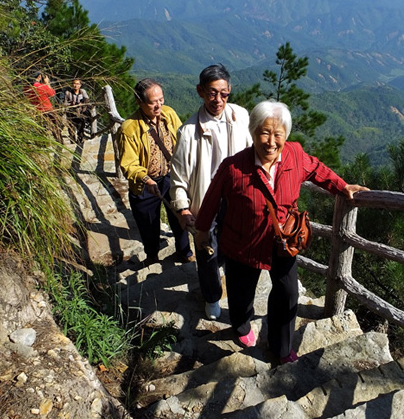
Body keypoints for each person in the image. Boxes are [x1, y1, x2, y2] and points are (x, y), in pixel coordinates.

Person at [194, 100, 368, 363]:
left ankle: (281, 348)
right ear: (252, 132)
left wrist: (342, 187)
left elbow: (318, 169)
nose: (271, 141)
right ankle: (241, 325)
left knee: (288, 293)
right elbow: (211, 199)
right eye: (264, 132)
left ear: (286, 135)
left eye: (278, 134)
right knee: (241, 292)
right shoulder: (233, 167)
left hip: (282, 242)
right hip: (242, 242)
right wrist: (202, 230)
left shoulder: (295, 155)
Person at [170, 64, 252, 320]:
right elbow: (179, 176)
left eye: (224, 94)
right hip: (205, 200)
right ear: (200, 92)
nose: (218, 100)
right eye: (212, 93)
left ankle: (224, 273)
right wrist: (183, 208)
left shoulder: (241, 117)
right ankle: (212, 296)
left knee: (234, 243)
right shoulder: (188, 132)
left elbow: (252, 154)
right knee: (206, 249)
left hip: (237, 197)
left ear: (230, 91)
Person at [118, 79, 193, 264]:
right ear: (139, 102)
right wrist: (146, 179)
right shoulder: (129, 128)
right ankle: (152, 256)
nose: (159, 105)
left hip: (170, 176)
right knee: (148, 223)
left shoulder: (169, 114)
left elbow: (184, 139)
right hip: (145, 184)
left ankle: (185, 252)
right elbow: (129, 163)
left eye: (161, 99)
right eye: (153, 102)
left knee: (180, 214)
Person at [24, 70, 60, 140]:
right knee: (55, 127)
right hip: (47, 109)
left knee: (41, 128)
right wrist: (47, 83)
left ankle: (42, 143)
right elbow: (52, 93)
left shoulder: (26, 88)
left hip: (36, 111)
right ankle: (59, 142)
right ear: (39, 77)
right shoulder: (41, 86)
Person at [64, 78, 90, 144]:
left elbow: (87, 100)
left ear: (80, 85)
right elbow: (64, 103)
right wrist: (71, 104)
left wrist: (82, 103)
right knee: (71, 129)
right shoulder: (68, 93)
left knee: (80, 129)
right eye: (74, 83)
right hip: (71, 114)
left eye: (77, 84)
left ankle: (80, 142)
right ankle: (72, 142)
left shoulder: (82, 92)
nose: (76, 85)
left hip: (80, 113)